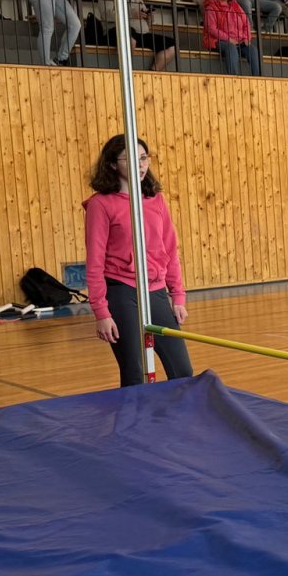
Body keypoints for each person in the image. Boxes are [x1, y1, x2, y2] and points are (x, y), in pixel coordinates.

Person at [83, 135, 194, 387]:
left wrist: (178, 296)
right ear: (113, 164)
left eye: (144, 158)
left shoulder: (156, 200)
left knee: (182, 371)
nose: (140, 164)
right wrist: (101, 312)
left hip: (156, 291)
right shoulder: (101, 205)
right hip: (122, 292)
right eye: (131, 159)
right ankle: (134, 413)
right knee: (134, 373)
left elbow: (170, 250)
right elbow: (95, 262)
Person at [97, 0, 175, 72]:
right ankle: (125, 73)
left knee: (171, 44)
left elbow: (145, 17)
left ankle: (152, 72)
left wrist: (148, 17)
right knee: (130, 38)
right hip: (116, 31)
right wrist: (130, 14)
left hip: (140, 33)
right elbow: (107, 14)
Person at [202, 0, 260, 75]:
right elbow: (211, 29)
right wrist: (228, 39)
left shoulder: (235, 6)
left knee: (252, 50)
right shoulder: (211, 7)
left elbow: (246, 23)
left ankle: (258, 78)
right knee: (231, 47)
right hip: (217, 40)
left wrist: (246, 37)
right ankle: (233, 78)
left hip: (239, 41)